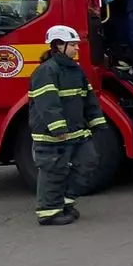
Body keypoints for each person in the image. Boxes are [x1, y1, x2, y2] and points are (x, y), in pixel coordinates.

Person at [28, 24, 108, 226]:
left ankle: (64, 202)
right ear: (58, 46)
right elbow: (47, 103)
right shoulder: (46, 71)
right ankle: (48, 212)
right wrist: (58, 128)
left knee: (88, 161)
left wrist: (97, 122)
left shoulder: (75, 70)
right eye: (73, 45)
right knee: (53, 171)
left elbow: (88, 98)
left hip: (76, 131)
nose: (77, 48)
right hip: (51, 134)